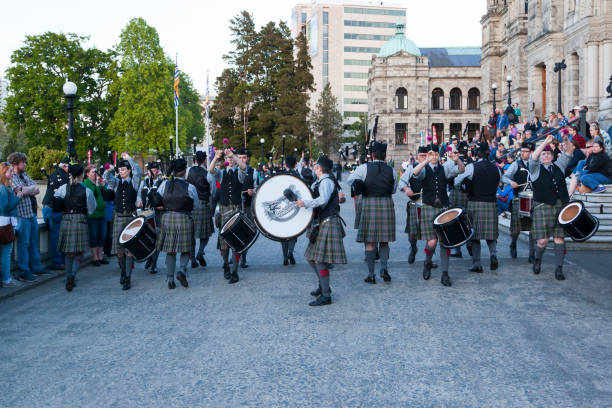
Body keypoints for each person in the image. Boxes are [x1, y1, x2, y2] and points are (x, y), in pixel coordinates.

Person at [411, 146, 465, 287]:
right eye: (431, 154)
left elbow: (461, 170)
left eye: (436, 154)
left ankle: (445, 273)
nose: (434, 156)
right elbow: (415, 173)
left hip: (443, 208)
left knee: (444, 242)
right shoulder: (423, 168)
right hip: (428, 207)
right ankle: (427, 262)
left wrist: (457, 160)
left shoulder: (444, 168)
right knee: (432, 242)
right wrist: (425, 161)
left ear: (439, 155)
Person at [296, 156, 346, 306]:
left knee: (318, 260)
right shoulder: (321, 181)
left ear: (320, 168)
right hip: (321, 222)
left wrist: (305, 203)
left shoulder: (327, 181)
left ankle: (326, 295)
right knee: (311, 258)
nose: (314, 168)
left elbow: (323, 199)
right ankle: (323, 285)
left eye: (316, 166)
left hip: (328, 222)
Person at [348, 141, 397, 284]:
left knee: (369, 242)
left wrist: (362, 186)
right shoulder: (391, 170)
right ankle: (384, 269)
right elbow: (393, 189)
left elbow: (351, 181)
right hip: (387, 203)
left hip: (369, 203)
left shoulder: (364, 168)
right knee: (384, 241)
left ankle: (371, 275)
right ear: (385, 155)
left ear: (373, 155)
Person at [529, 134, 575, 280]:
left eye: (549, 153)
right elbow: (533, 158)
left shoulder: (559, 166)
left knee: (559, 239)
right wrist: (544, 144)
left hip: (560, 206)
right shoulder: (535, 169)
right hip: (543, 207)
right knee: (542, 241)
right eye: (544, 154)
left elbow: (569, 152)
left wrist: (566, 139)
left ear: (553, 155)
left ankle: (559, 269)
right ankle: (537, 259)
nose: (546, 156)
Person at [454, 142, 501, 273]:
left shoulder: (471, 167)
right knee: (491, 235)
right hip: (491, 203)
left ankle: (477, 263)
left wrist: (461, 186)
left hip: (475, 203)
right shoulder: (496, 168)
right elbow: (500, 180)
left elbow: (457, 181)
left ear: (477, 154)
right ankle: (493, 255)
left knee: (474, 236)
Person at [153, 158, 200, 289]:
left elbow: (157, 198)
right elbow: (196, 205)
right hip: (184, 218)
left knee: (170, 251)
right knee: (185, 249)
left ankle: (169, 278)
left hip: (167, 218)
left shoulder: (165, 184)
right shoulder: (190, 187)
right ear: (184, 172)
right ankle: (182, 270)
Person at [54, 164, 96, 291]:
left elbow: (56, 205)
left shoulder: (62, 188)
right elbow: (91, 210)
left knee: (69, 253)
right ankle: (72, 275)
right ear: (82, 175)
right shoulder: (86, 191)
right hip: (80, 221)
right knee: (80, 252)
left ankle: (68, 276)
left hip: (66, 220)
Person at [103, 153, 142, 290]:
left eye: (124, 169)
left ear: (129, 170)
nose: (121, 171)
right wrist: (109, 169)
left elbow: (138, 170)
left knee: (129, 250)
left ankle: (128, 278)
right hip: (119, 218)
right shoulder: (116, 183)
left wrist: (130, 158)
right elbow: (106, 178)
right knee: (119, 251)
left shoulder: (135, 182)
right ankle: (123, 271)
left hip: (131, 218)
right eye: (120, 170)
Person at [209, 148, 247, 284]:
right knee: (224, 244)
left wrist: (234, 156)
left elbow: (244, 167)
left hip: (236, 209)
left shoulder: (239, 172)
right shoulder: (221, 173)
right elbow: (210, 170)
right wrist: (216, 157)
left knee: (236, 243)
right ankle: (226, 265)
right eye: (228, 158)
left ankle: (235, 272)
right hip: (224, 210)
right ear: (225, 161)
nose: (230, 160)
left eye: (231, 158)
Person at [8, 152, 47, 281]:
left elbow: (36, 189)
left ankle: (36, 266)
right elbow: (20, 190)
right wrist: (28, 189)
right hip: (21, 215)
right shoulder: (11, 176)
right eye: (23, 162)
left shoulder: (24, 175)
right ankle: (24, 270)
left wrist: (27, 189)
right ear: (15, 163)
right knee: (24, 244)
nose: (25, 164)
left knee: (34, 242)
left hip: (31, 213)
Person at [502, 142, 536, 260]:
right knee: (516, 228)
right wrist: (511, 182)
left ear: (531, 152)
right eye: (522, 151)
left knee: (533, 228)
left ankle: (532, 254)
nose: (523, 153)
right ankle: (513, 243)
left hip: (534, 199)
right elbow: (504, 177)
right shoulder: (516, 164)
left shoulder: (536, 164)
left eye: (526, 151)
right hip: (518, 199)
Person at [186, 151, 214, 268]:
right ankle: (200, 252)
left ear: (195, 160)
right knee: (205, 234)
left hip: (191, 204)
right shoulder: (207, 174)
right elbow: (212, 192)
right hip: (203, 204)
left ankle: (192, 259)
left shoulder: (188, 171)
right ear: (204, 160)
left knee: (191, 234)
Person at [398, 146, 426, 264]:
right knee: (413, 232)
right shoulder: (412, 167)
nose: (424, 158)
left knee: (431, 234)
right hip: (416, 203)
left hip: (430, 204)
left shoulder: (434, 168)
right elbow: (402, 182)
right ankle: (413, 247)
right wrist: (406, 188)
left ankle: (428, 258)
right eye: (422, 156)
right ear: (417, 157)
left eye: (426, 155)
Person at [42, 157, 70, 270]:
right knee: (56, 236)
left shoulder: (58, 174)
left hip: (53, 207)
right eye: (69, 166)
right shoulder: (60, 175)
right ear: (64, 166)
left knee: (60, 236)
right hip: (53, 208)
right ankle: (57, 262)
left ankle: (61, 260)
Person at [137, 161, 164, 273]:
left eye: (154, 170)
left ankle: (154, 263)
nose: (151, 172)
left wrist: (162, 206)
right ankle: (149, 257)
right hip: (144, 214)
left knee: (156, 239)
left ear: (157, 171)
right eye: (150, 170)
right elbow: (139, 195)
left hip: (156, 215)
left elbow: (164, 197)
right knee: (146, 238)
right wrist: (138, 202)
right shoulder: (144, 182)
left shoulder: (162, 183)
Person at [0, 163, 22, 288]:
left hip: (5, 223)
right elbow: (5, 207)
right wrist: (17, 197)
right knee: (6, 253)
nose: (12, 173)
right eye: (10, 171)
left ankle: (6, 278)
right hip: (5, 224)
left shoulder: (5, 188)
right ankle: (6, 280)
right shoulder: (3, 188)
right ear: (4, 173)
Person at [448, 144, 472, 258]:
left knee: (454, 220)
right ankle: (470, 243)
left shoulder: (455, 161)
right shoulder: (472, 161)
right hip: (468, 194)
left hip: (456, 192)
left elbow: (452, 177)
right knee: (467, 220)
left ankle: (457, 249)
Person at [83, 165, 109, 266]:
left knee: (102, 235)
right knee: (93, 235)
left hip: (102, 213)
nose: (95, 174)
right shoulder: (86, 184)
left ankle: (100, 256)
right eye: (93, 172)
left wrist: (102, 185)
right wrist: (97, 186)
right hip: (92, 214)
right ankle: (95, 258)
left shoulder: (99, 183)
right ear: (88, 173)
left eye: (96, 172)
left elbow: (106, 195)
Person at [281, 155, 301, 265]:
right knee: (294, 233)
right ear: (295, 164)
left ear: (285, 164)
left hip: (283, 207)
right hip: (295, 208)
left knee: (283, 234)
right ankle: (290, 251)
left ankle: (285, 257)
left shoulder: (280, 175)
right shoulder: (298, 175)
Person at [237, 148, 255, 268]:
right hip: (235, 205)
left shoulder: (253, 171)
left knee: (246, 232)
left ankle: (243, 257)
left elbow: (259, 187)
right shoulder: (232, 170)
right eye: (240, 157)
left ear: (247, 158)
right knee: (234, 232)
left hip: (248, 206)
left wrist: (253, 191)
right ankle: (235, 256)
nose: (242, 160)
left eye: (244, 157)